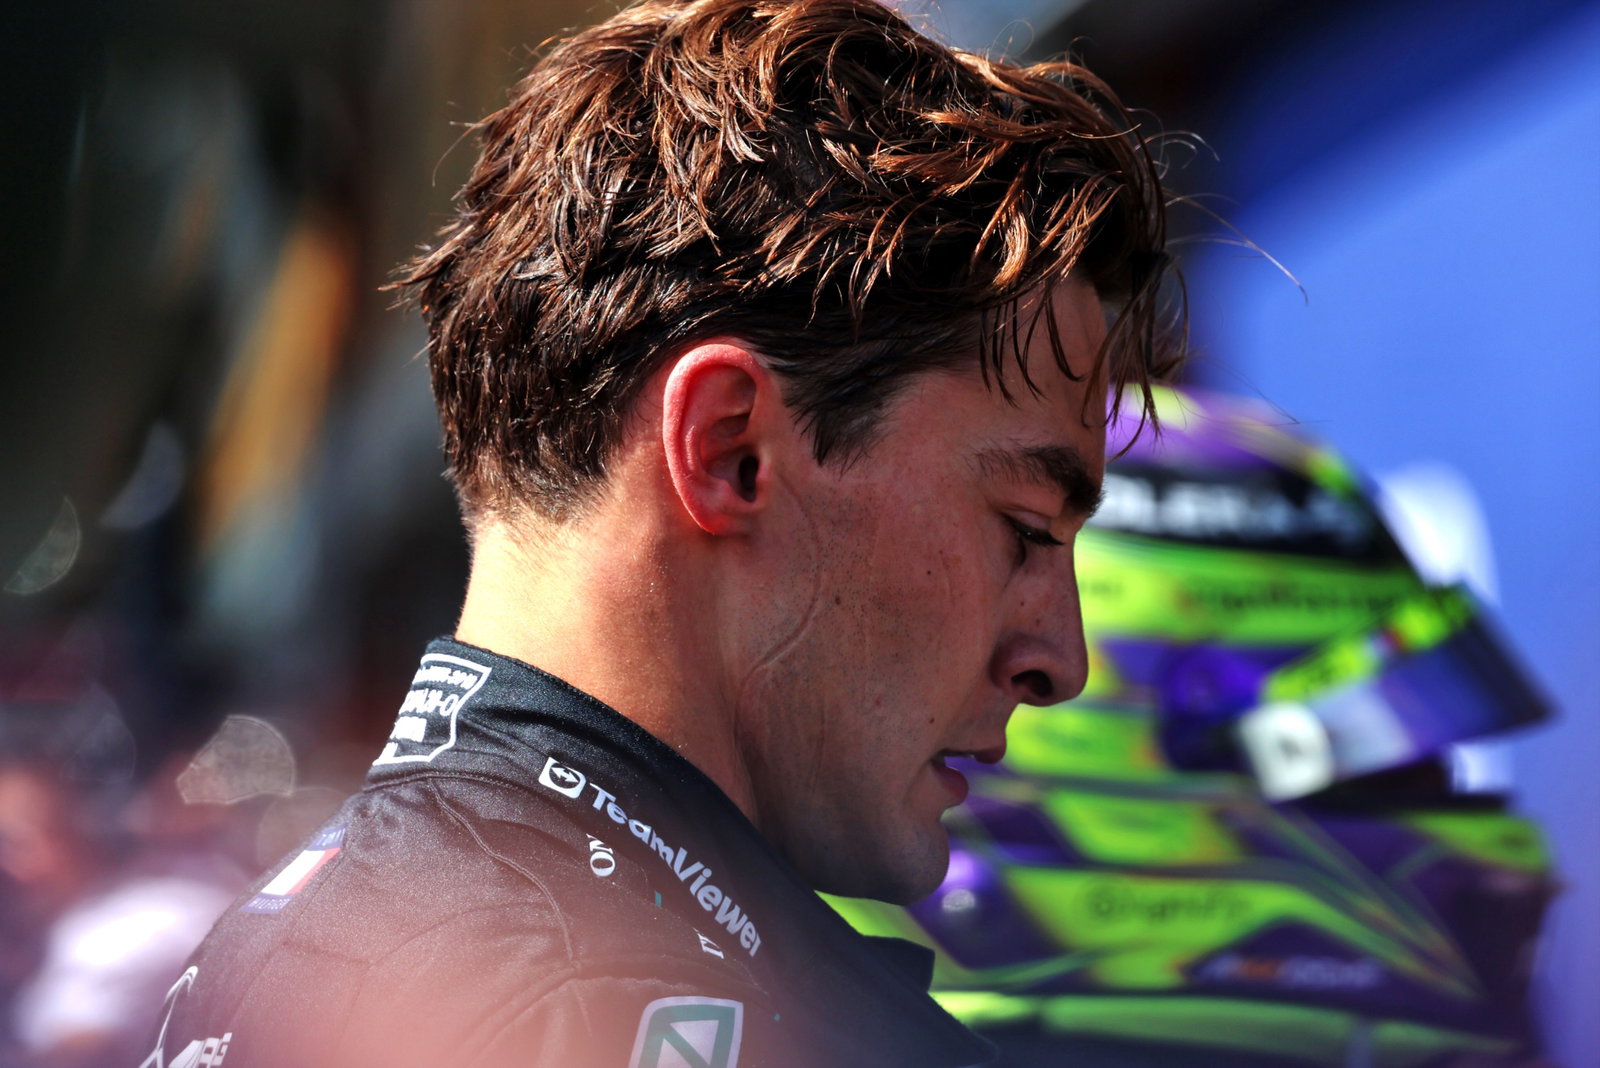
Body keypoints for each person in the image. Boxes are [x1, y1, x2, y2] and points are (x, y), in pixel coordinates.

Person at [144, 0, 1178, 1064]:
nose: (1062, 656)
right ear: (729, 450)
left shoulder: (292, 940)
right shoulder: (625, 1007)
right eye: (1024, 528)